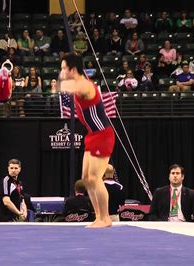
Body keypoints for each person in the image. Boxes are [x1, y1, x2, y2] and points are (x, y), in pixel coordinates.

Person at [59, 53, 116, 228]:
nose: (61, 72)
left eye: (63, 68)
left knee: (95, 178)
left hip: (103, 135)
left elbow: (75, 89)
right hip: (92, 135)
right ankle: (98, 217)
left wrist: (65, 84)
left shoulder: (85, 85)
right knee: (85, 178)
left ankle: (105, 218)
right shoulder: (78, 83)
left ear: (73, 69)